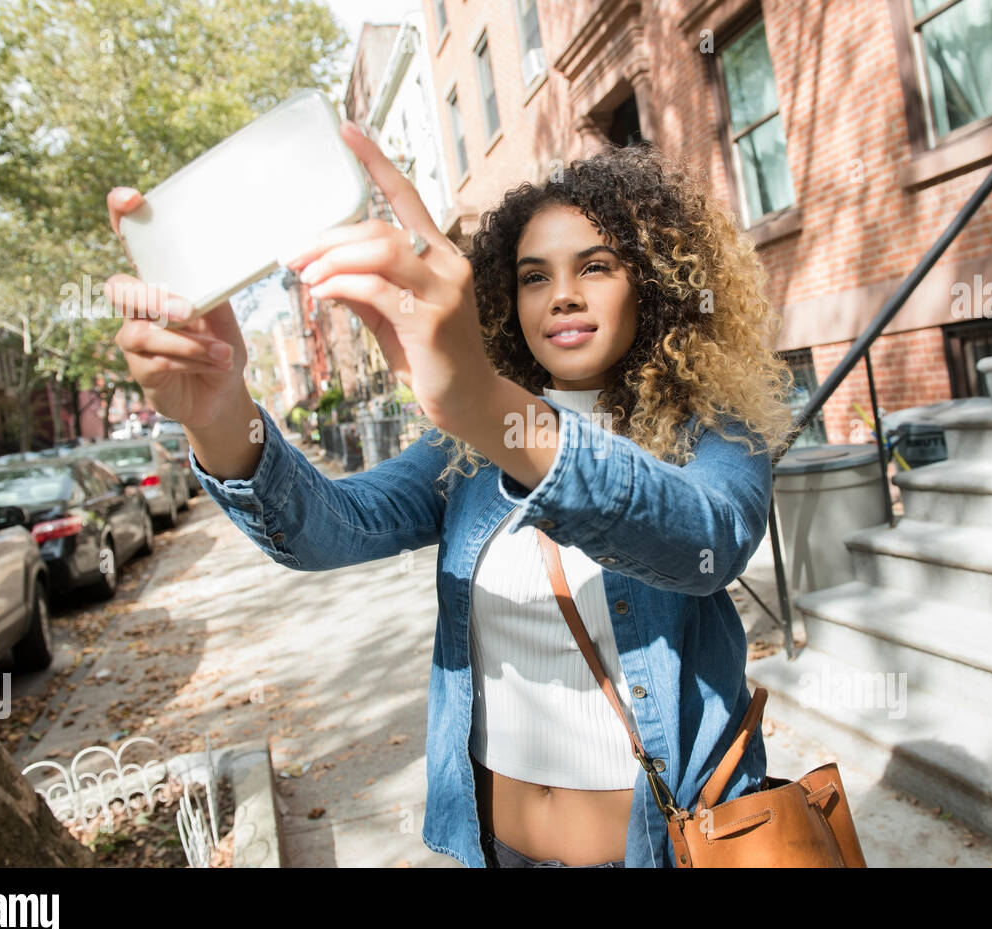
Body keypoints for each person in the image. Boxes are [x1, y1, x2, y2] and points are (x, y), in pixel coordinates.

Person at [105, 118, 795, 868]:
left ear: (652, 283)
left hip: (668, 849)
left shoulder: (712, 425)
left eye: (595, 266)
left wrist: (486, 404)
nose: (562, 295)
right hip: (493, 848)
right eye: (534, 275)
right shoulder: (465, 445)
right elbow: (328, 528)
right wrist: (219, 412)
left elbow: (708, 543)